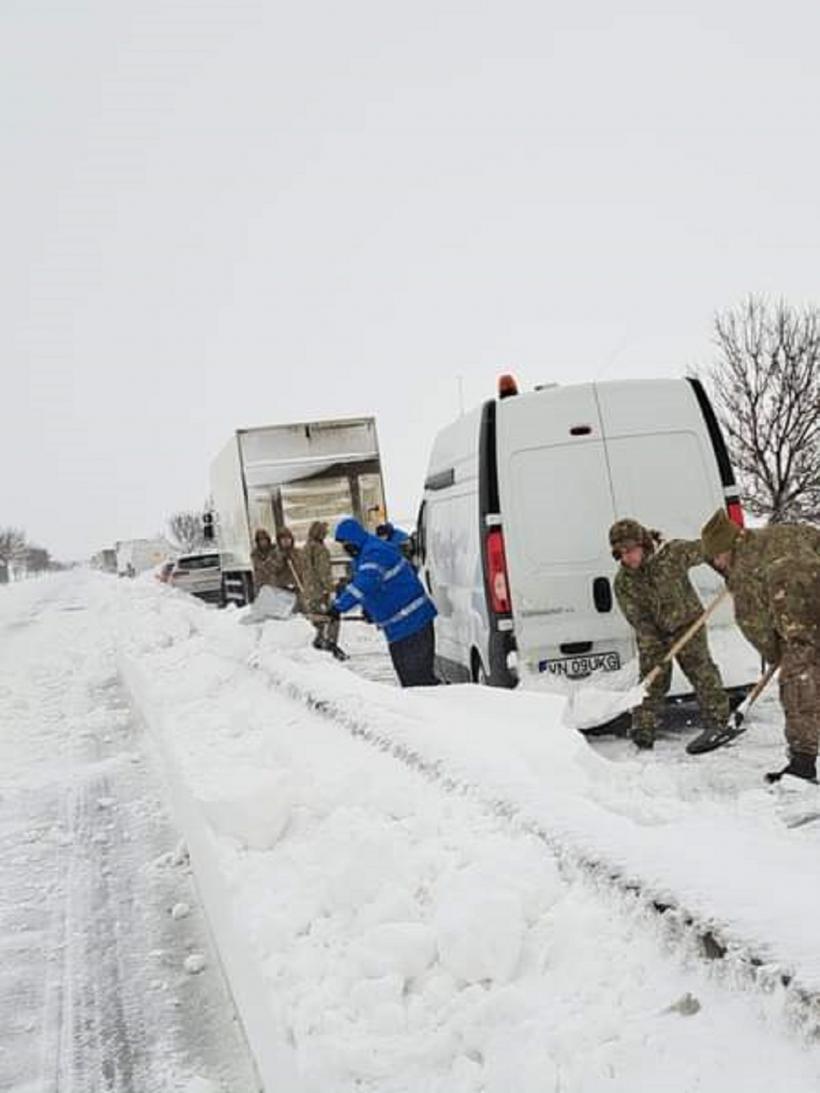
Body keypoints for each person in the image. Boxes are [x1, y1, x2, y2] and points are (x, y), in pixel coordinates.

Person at [701, 509, 820, 784]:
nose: (717, 564)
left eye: (716, 557)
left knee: (797, 687)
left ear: (726, 548)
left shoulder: (743, 572)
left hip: (803, 628)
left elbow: (754, 625)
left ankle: (802, 764)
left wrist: (777, 654)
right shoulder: (780, 533)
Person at [609, 518, 730, 752]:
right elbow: (638, 619)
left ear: (643, 544)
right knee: (652, 680)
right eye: (620, 553)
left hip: (688, 624)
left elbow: (707, 549)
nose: (627, 557)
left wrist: (729, 569)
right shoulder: (623, 582)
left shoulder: (672, 554)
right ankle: (643, 730)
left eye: (630, 550)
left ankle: (718, 723)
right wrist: (655, 644)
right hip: (653, 633)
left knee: (702, 673)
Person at [330, 517, 439, 687]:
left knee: (419, 682)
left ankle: (440, 704)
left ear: (354, 539)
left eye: (346, 543)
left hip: (413, 624)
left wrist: (338, 607)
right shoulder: (364, 555)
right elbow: (376, 587)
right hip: (400, 629)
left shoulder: (374, 552)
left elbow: (365, 583)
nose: (345, 548)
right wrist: (369, 610)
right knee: (411, 682)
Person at [302, 520, 348, 660]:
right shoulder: (320, 549)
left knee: (317, 620)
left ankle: (318, 644)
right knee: (331, 617)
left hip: (310, 590)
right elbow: (323, 572)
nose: (325, 534)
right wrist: (331, 587)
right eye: (324, 532)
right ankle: (330, 644)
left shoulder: (306, 547)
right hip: (320, 591)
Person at [251, 526, 304, 606]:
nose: (286, 541)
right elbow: (270, 569)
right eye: (283, 539)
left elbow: (303, 568)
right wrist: (281, 558)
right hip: (281, 589)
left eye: (288, 538)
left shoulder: (297, 552)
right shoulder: (274, 554)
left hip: (297, 588)